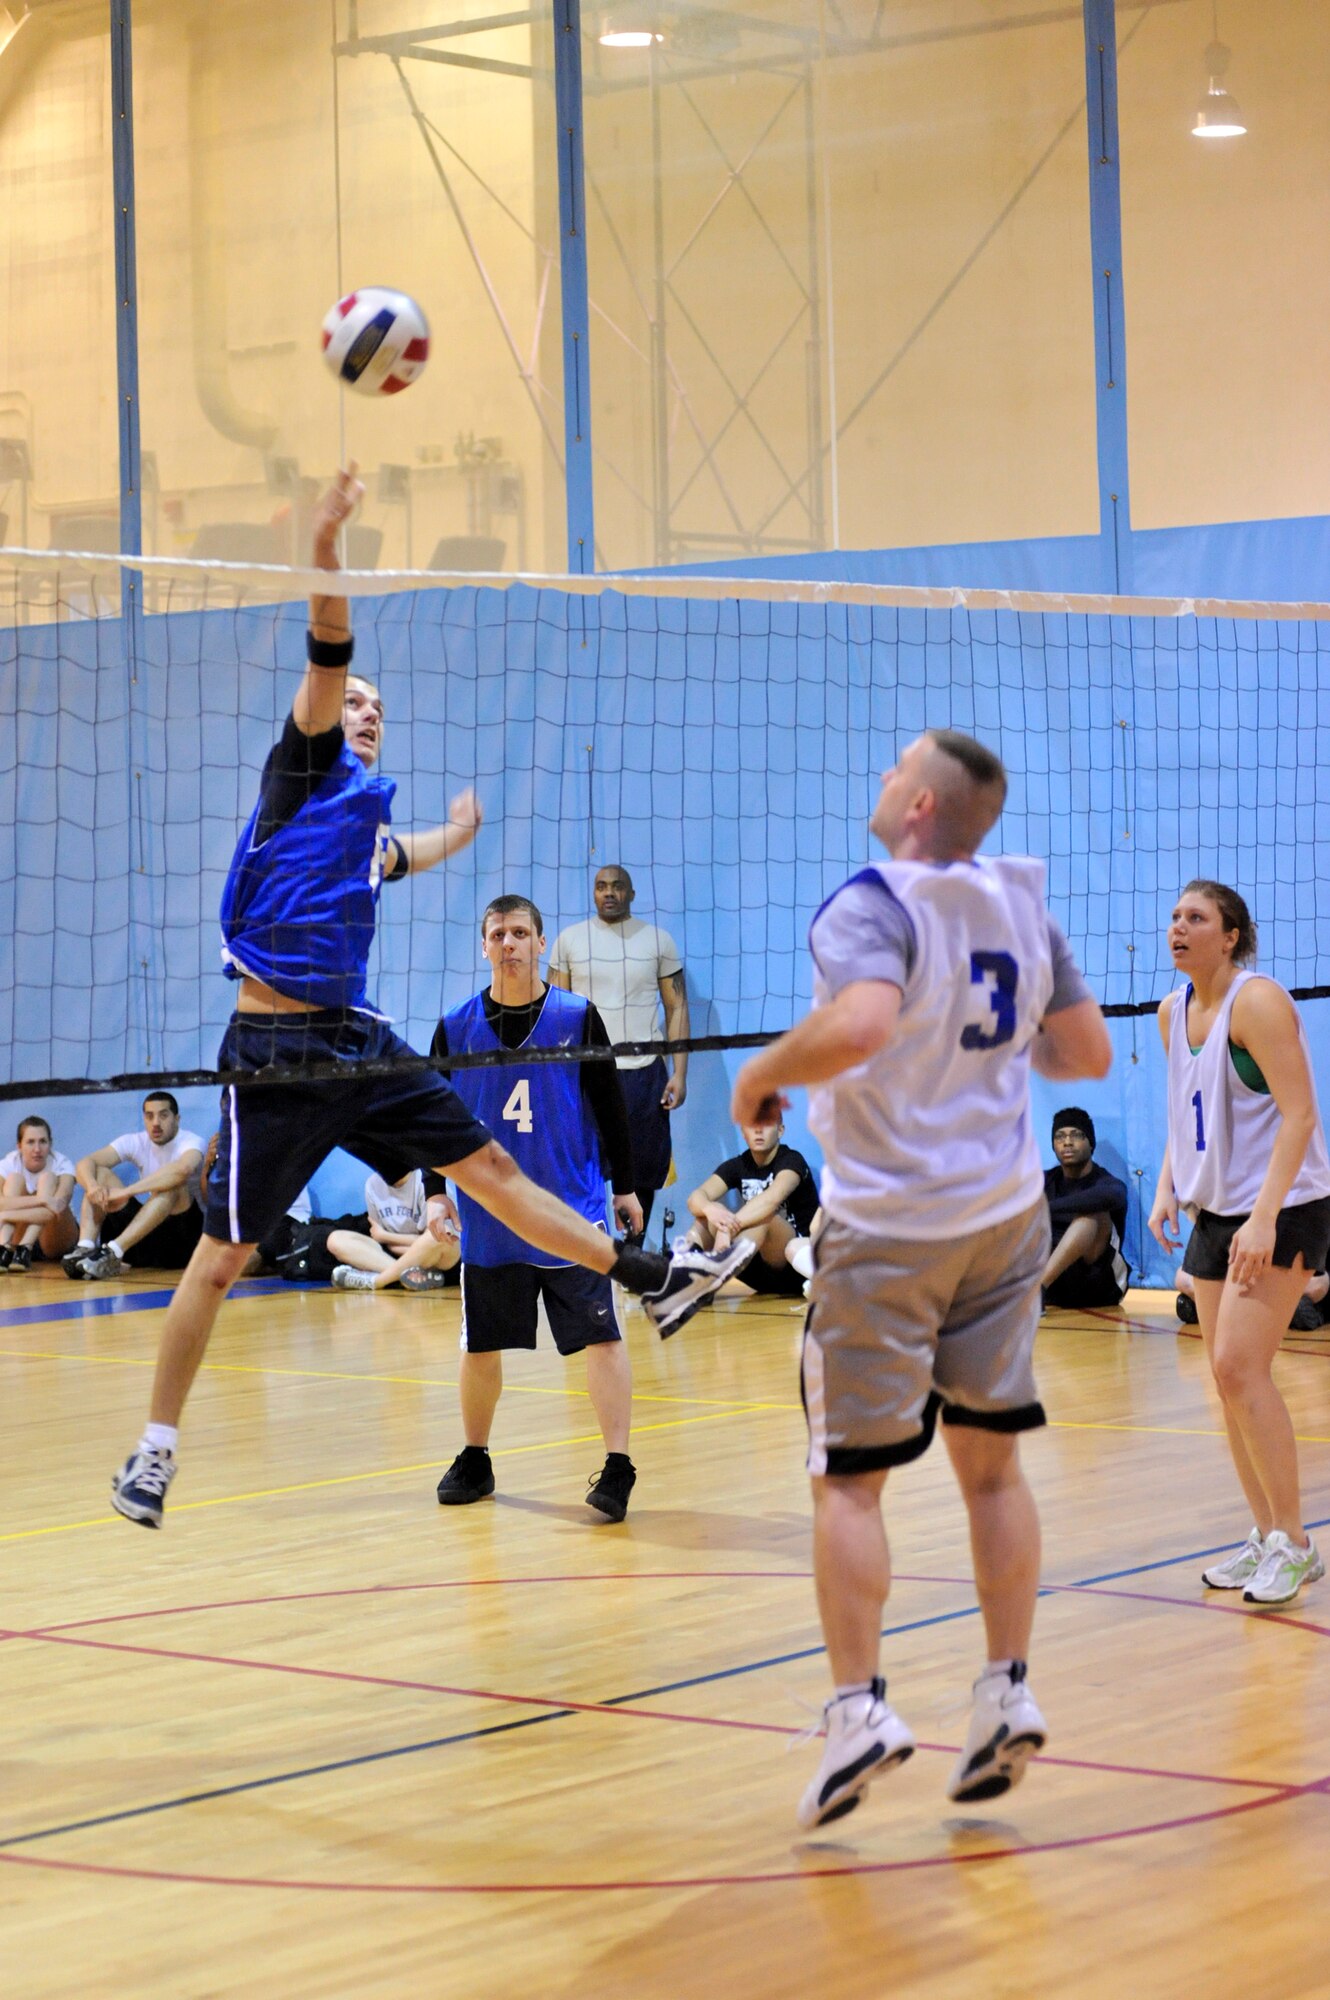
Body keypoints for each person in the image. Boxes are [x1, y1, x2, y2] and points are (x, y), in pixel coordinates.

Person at [109, 468, 751, 1530]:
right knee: (222, 1259)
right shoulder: (301, 772)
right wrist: (325, 542)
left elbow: (404, 854)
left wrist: (458, 832)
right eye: (354, 703)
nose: (362, 712)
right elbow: (328, 642)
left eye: (375, 710)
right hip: (274, 1055)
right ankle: (155, 1444)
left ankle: (654, 1272)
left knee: (491, 1169)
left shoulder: (361, 829)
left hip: (356, 1040)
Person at [730, 728, 1111, 1831]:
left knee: (847, 1479)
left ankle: (858, 1711)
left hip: (889, 1227)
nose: (882, 775)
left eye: (896, 768)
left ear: (919, 810)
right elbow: (1083, 1052)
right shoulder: (1021, 904)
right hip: (1001, 1218)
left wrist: (758, 1072)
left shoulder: (870, 902)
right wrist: (980, 1057)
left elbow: (860, 1024)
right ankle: (1004, 1689)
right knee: (992, 1474)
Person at [430, 894, 645, 1522]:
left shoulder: (577, 1017)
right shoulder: (454, 1025)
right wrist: (438, 1189)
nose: (509, 943)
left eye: (520, 933)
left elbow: (611, 1106)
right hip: (491, 1219)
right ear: (484, 945)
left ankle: (618, 1465)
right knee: (479, 1346)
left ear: (541, 943)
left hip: (569, 1213)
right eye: (497, 933)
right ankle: (476, 1458)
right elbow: (433, 1120)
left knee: (601, 1336)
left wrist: (625, 1185)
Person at [1148, 879, 1330, 1607]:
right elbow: (1182, 1113)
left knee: (1239, 1367)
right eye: (1174, 917)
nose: (1178, 927)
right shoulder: (1172, 1013)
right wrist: (1167, 1185)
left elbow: (1300, 1115)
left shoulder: (1258, 1003)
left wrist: (1261, 1218)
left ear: (1231, 936)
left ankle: (1298, 1542)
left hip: (1282, 1209)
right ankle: (1265, 1535)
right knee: (1227, 1383)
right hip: (1217, 1212)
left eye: (1196, 917)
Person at [548, 865, 688, 1234]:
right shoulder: (570, 940)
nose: (609, 893)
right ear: (593, 892)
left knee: (642, 1168)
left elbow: (677, 1008)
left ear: (631, 893)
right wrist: (554, 1073)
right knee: (584, 1165)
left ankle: (633, 1252)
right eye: (601, 886)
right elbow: (553, 1011)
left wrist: (680, 1073)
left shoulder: (658, 940)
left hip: (644, 1072)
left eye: (617, 886)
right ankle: (590, 1246)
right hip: (588, 1071)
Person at [66, 1092, 206, 1281]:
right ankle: (85, 1248)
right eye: (149, 1116)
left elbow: (183, 1169)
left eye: (163, 1115)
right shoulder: (135, 1141)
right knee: (99, 1174)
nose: (155, 1122)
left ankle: (113, 1252)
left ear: (177, 1119)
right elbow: (86, 1162)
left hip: (183, 1241)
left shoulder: (192, 1142)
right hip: (148, 1235)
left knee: (174, 1185)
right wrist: (92, 1187)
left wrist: (126, 1191)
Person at [686, 1111, 819, 1300]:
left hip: (792, 1268)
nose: (758, 1131)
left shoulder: (792, 1161)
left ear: (780, 1130)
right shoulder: (737, 1165)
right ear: (742, 1132)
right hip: (754, 1269)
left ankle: (711, 1276)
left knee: (766, 1217)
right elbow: (695, 1198)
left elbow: (771, 1199)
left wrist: (726, 1230)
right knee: (707, 1215)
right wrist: (711, 1209)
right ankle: (682, 1274)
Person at [1041, 1108, 1128, 1309]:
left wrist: (1045, 1208)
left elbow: (1113, 1196)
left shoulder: (1106, 1183)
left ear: (1091, 1143)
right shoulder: (1044, 1182)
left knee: (1090, 1217)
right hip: (1057, 1289)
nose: (1067, 1142)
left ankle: (1036, 1289)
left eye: (1076, 1135)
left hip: (1098, 1286)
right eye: (1060, 1137)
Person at [330, 1167, 461, 1292]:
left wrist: (385, 1236)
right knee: (335, 1239)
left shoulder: (427, 1182)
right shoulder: (372, 1184)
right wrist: (387, 1241)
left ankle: (376, 1281)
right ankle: (414, 1276)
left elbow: (438, 1236)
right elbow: (378, 1240)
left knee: (438, 1238)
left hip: (436, 1256)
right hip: (397, 1252)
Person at [0, 1116, 78, 1270]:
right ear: (19, 1146)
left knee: (48, 1179)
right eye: (30, 1142)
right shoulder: (8, 1163)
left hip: (56, 1239)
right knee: (14, 1180)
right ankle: (4, 1248)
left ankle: (26, 1247)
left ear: (50, 1144)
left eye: (43, 1141)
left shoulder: (62, 1164)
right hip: (18, 1236)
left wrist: (4, 1215)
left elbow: (57, 1207)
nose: (37, 1149)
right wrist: (42, 1199)